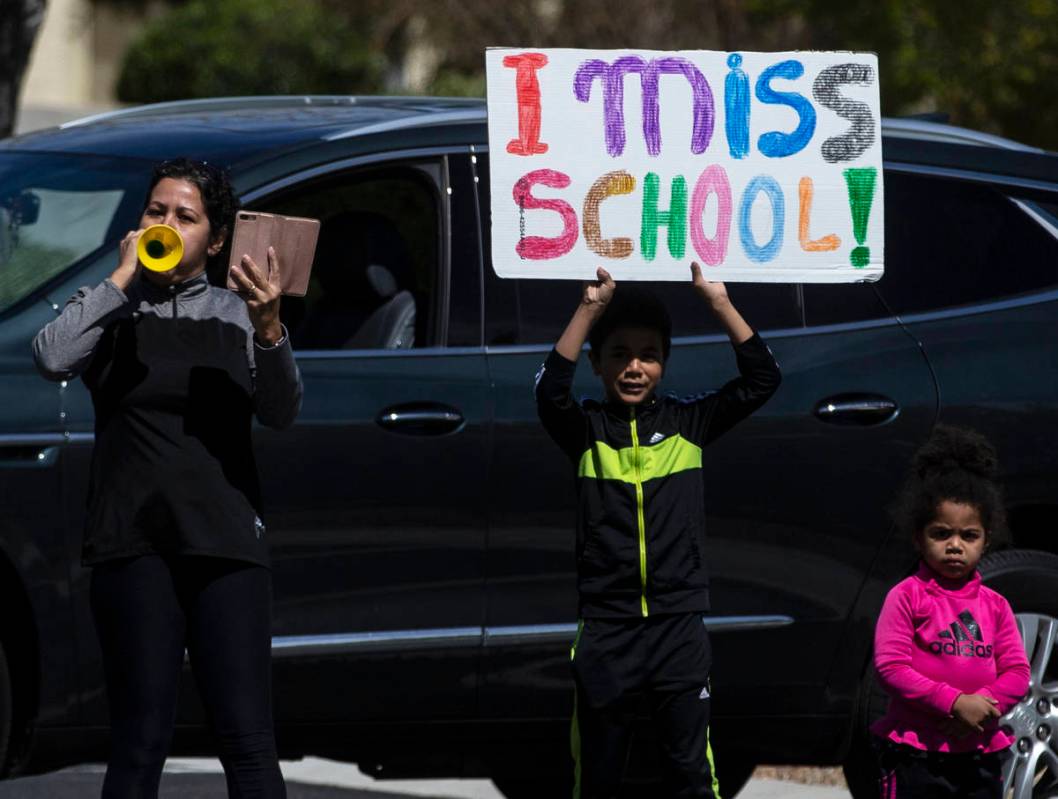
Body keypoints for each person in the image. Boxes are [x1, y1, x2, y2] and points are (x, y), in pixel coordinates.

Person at [32, 157, 301, 798]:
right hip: (134, 543)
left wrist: (270, 329)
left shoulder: (239, 314)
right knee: (139, 742)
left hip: (225, 545)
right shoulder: (111, 307)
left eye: (186, 216)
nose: (169, 224)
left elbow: (281, 410)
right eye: (157, 211)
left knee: (248, 740)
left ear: (215, 237)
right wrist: (120, 281)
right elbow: (51, 356)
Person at [535, 263, 781, 799]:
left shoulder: (688, 424)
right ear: (596, 364)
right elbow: (549, 392)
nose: (634, 367)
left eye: (648, 354)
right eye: (619, 354)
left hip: (679, 629)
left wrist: (718, 303)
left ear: (665, 363)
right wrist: (589, 308)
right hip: (607, 631)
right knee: (597, 777)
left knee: (692, 775)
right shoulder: (585, 431)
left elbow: (764, 379)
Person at [872, 426, 1030, 798]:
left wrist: (982, 708)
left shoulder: (995, 605)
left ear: (986, 539)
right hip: (917, 754)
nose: (955, 546)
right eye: (942, 534)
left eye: (968, 536)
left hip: (978, 752)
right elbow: (891, 667)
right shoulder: (906, 596)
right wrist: (954, 703)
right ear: (918, 536)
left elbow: (1018, 672)